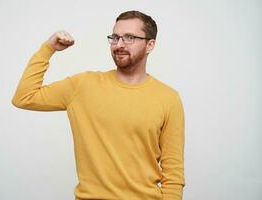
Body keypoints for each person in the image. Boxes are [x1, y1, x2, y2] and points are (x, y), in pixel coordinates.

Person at [12, 10, 185, 200]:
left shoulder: (168, 98)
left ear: (150, 45)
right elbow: (24, 97)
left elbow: (173, 174)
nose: (119, 45)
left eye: (129, 38)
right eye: (115, 37)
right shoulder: (83, 86)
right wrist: (48, 48)